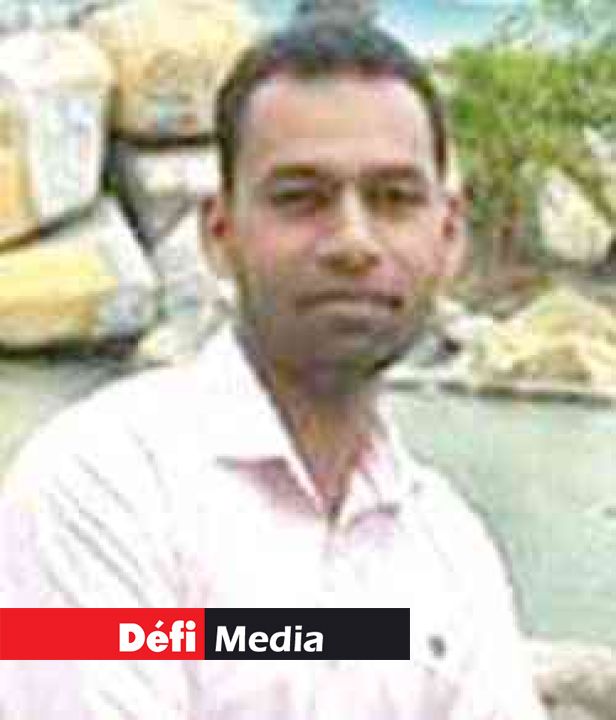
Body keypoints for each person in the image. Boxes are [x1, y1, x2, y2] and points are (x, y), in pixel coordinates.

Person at [0, 19, 546, 720]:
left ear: (448, 234)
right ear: (219, 233)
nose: (353, 242)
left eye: (394, 198)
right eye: (301, 198)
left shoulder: (450, 548)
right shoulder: (99, 487)